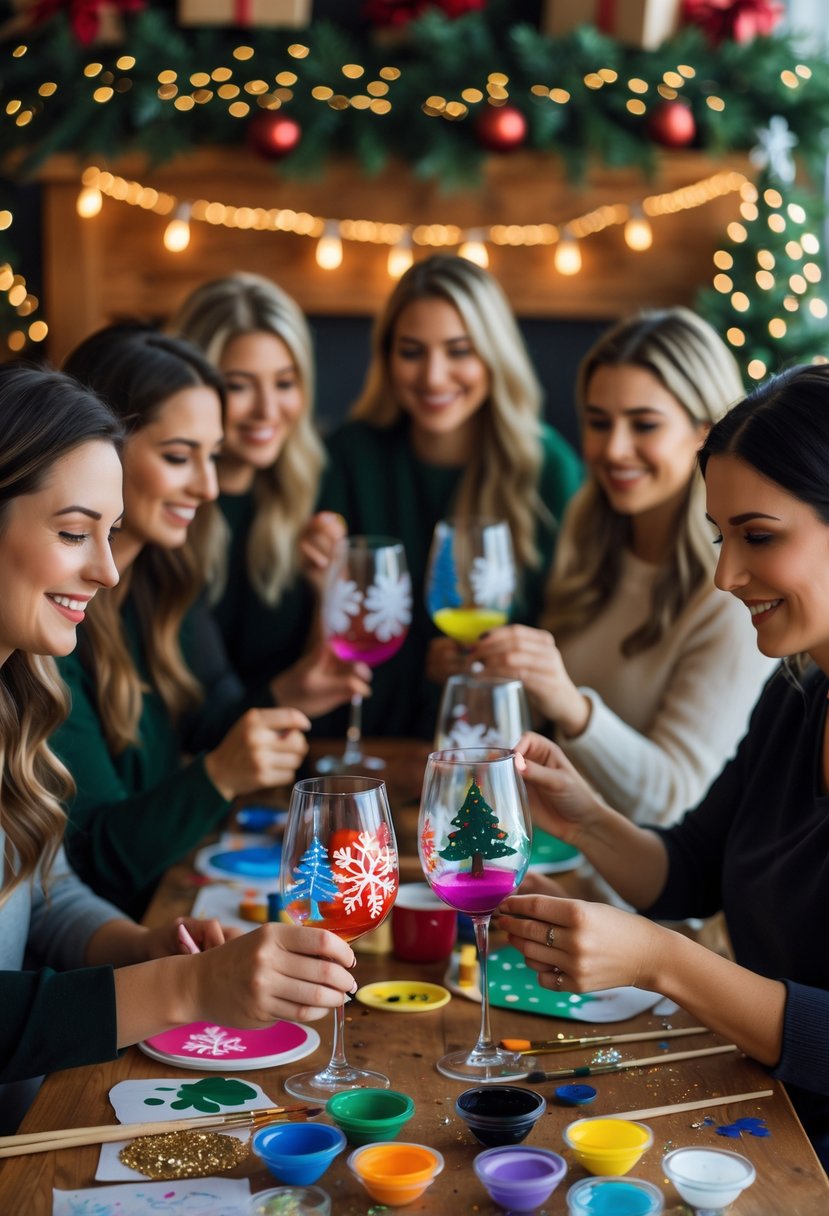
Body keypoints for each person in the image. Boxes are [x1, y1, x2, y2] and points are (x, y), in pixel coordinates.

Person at [0, 366, 356, 1133]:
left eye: (109, 532)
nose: (107, 568)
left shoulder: (16, 697)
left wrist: (142, 947)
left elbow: (46, 888)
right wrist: (188, 988)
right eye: (73, 533)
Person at [497, 362, 829, 1170]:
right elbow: (691, 872)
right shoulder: (796, 695)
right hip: (762, 1116)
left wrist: (661, 960)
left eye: (757, 536)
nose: (724, 575)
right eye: (720, 538)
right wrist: (586, 818)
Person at [471, 308, 774, 824]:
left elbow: (677, 801)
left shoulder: (733, 591)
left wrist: (571, 705)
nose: (613, 449)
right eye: (598, 422)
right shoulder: (588, 543)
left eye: (644, 425)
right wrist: (499, 680)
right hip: (555, 854)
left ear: (708, 433)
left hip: (648, 897)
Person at [54, 326, 311, 917]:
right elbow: (91, 859)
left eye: (213, 455)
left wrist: (303, 680)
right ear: (101, 451)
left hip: (171, 905)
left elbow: (215, 723)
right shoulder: (53, 614)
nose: (209, 486)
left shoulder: (166, 580)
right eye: (178, 457)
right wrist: (218, 775)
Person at [317, 253, 583, 738]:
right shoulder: (350, 455)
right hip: (375, 739)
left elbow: (575, 639)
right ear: (387, 356)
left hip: (508, 749)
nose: (434, 376)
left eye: (460, 350)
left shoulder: (548, 469)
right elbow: (332, 630)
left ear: (494, 355)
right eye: (412, 351)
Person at [171, 272, 370, 719]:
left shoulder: (320, 485)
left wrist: (327, 592)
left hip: (289, 759)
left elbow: (322, 681)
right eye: (238, 386)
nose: (266, 410)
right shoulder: (163, 504)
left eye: (284, 383)